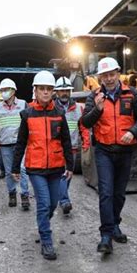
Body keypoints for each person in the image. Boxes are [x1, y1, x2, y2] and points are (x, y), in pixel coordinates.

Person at [81, 57, 137, 254]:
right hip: (104, 151)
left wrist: (133, 132)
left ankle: (115, 224)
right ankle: (106, 236)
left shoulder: (132, 94)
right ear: (100, 77)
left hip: (125, 151)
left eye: (111, 74)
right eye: (104, 76)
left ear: (118, 73)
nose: (109, 79)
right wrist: (98, 109)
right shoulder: (94, 97)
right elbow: (85, 122)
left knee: (119, 194)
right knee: (106, 193)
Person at [12, 71, 73, 260]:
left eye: (49, 89)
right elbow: (21, 142)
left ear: (53, 92)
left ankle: (43, 223)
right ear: (35, 91)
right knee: (44, 203)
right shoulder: (27, 114)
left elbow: (66, 141)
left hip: (55, 167)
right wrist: (15, 167)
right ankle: (46, 241)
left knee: (53, 203)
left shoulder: (59, 113)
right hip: (36, 168)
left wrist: (69, 165)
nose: (45, 92)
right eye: (42, 89)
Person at [53, 77, 90, 215]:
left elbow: (84, 127)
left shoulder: (79, 108)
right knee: (62, 175)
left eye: (67, 90)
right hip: (57, 148)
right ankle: (64, 201)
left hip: (73, 148)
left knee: (68, 175)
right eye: (62, 90)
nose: (64, 93)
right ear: (56, 92)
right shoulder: (51, 107)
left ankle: (61, 196)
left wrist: (85, 142)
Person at [0, 78, 30, 210]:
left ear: (13, 91)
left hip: (21, 144)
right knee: (9, 172)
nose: (3, 92)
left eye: (5, 90)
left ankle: (24, 195)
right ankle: (12, 193)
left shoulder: (23, 104)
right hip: (5, 145)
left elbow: (29, 122)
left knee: (23, 169)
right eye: (2, 90)